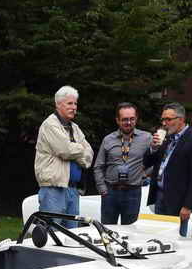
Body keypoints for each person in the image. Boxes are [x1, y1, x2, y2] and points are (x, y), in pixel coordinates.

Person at [144, 102, 192, 237]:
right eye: (162, 119)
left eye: (168, 119)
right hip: (160, 196)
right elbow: (147, 163)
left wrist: (188, 206)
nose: (164, 123)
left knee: (175, 239)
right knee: (159, 237)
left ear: (181, 119)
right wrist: (153, 148)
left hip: (178, 201)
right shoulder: (166, 137)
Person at [34, 85, 94, 229]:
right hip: (53, 189)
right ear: (58, 104)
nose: (74, 107)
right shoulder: (50, 124)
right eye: (69, 103)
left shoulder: (75, 127)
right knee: (52, 233)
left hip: (73, 190)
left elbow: (90, 155)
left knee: (72, 235)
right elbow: (65, 150)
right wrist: (80, 149)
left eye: (75, 104)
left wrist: (75, 151)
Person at [93, 102, 153, 225]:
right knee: (108, 229)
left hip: (133, 192)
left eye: (132, 119)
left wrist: (144, 175)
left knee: (130, 230)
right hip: (110, 192)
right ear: (117, 120)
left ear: (136, 119)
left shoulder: (147, 138)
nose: (128, 122)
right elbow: (98, 166)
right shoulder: (108, 139)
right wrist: (102, 189)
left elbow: (157, 160)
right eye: (125, 119)